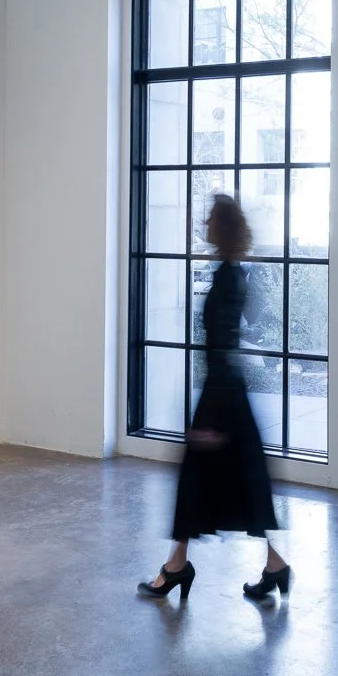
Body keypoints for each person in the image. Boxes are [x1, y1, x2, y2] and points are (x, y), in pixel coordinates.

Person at [139, 194, 291, 603]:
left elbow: (220, 345)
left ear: (220, 227)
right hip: (227, 392)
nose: (204, 224)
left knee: (202, 482)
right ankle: (270, 566)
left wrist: (212, 418)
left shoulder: (227, 278)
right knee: (239, 482)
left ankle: (178, 568)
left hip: (222, 395)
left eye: (210, 219)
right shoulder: (234, 272)